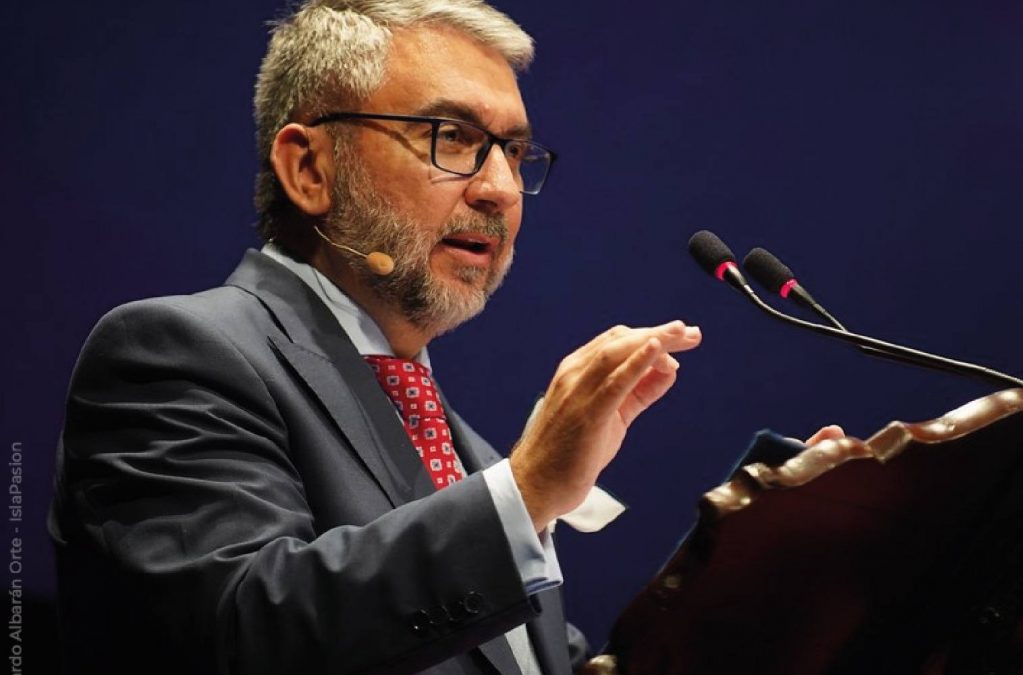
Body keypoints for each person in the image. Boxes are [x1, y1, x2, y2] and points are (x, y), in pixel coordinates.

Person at [47, 2, 705, 674]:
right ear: (310, 169)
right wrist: (528, 487)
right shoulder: (175, 355)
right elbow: (242, 636)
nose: (501, 188)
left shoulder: (468, 457)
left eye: (512, 151)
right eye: (452, 137)